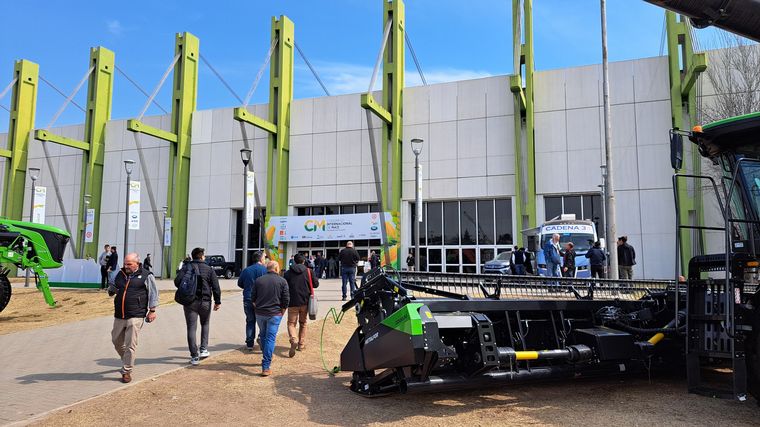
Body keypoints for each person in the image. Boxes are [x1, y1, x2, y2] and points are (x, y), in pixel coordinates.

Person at [107, 252, 158, 383]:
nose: (126, 266)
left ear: (137, 263)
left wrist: (152, 310)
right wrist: (111, 289)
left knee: (130, 345)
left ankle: (126, 371)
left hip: (136, 315)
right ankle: (128, 360)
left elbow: (153, 293)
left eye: (129, 264)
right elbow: (115, 284)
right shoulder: (121, 273)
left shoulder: (146, 275)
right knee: (116, 341)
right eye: (125, 263)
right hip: (119, 315)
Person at [174, 247, 222, 365]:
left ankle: (194, 356)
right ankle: (203, 349)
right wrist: (217, 301)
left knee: (191, 328)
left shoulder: (186, 267)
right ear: (201, 256)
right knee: (205, 324)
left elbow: (177, 282)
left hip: (190, 302)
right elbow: (216, 287)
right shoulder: (209, 269)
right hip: (205, 301)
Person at [252, 261, 289, 376]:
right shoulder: (282, 281)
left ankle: (266, 355)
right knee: (270, 338)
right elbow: (286, 299)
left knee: (263, 335)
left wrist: (257, 308)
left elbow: (252, 298)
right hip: (275, 314)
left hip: (260, 313)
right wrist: (282, 312)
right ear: (277, 268)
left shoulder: (259, 280)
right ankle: (266, 366)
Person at [284, 253, 319, 357]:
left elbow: (284, 287)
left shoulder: (288, 273)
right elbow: (316, 284)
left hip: (292, 302)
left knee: (291, 323)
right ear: (304, 261)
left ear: (294, 261)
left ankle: (293, 339)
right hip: (305, 302)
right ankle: (301, 344)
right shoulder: (309, 271)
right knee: (303, 323)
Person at [237, 251, 267, 351]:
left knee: (250, 320)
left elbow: (240, 283)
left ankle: (249, 343)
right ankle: (260, 337)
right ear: (260, 259)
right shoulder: (265, 270)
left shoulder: (246, 270)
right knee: (262, 321)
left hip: (248, 298)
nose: (265, 259)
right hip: (261, 299)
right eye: (264, 257)